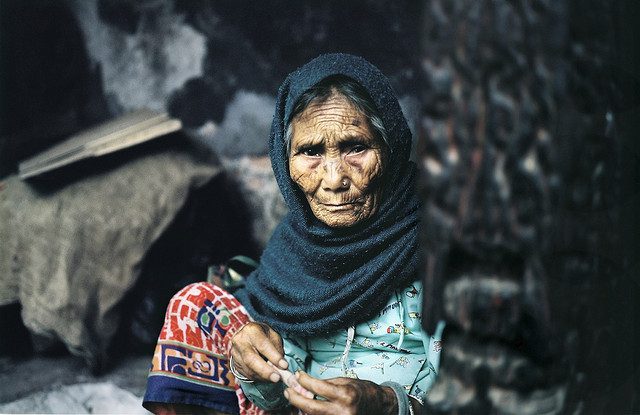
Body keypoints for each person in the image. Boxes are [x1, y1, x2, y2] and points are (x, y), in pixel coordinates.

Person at [142, 53, 444, 415]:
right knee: (196, 304)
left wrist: (385, 403)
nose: (334, 180)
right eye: (311, 152)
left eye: (356, 147)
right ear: (285, 165)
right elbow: (278, 394)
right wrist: (251, 367)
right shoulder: (298, 249)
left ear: (391, 146)